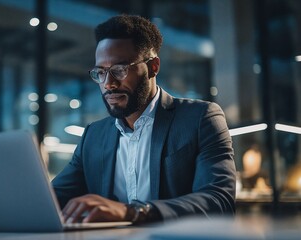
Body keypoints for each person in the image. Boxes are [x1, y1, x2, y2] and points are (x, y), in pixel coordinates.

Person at [51, 14, 236, 225]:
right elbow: (50, 199)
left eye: (119, 70)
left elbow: (219, 201)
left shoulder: (201, 118)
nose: (108, 83)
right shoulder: (93, 135)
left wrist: (133, 212)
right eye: (100, 72)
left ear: (153, 66)